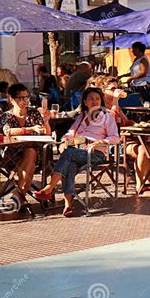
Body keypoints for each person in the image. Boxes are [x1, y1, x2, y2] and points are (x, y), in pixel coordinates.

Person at [34, 88, 120, 217]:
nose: (94, 101)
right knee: (70, 165)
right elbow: (71, 132)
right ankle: (68, 205)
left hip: (95, 153)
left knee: (68, 154)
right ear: (85, 101)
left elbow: (115, 137)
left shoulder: (107, 116)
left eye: (97, 99)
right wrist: (64, 139)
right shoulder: (81, 116)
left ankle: (50, 187)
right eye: (91, 99)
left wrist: (101, 142)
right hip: (78, 151)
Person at [101, 78, 150, 194]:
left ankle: (146, 180)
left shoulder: (116, 106)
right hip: (113, 144)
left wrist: (138, 124)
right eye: (112, 89)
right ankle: (140, 183)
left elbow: (127, 122)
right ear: (103, 91)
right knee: (143, 149)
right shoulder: (101, 108)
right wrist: (115, 102)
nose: (116, 91)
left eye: (117, 88)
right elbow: (111, 123)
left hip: (127, 139)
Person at [2, 83, 51, 209]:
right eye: (21, 98)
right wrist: (30, 129)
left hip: (35, 152)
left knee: (30, 152)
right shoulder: (7, 115)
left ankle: (18, 194)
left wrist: (46, 122)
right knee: (29, 158)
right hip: (13, 154)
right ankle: (20, 195)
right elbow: (8, 131)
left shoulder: (34, 113)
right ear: (12, 99)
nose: (24, 101)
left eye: (26, 97)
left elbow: (46, 133)